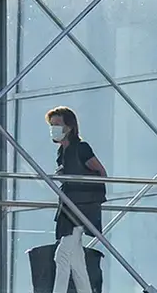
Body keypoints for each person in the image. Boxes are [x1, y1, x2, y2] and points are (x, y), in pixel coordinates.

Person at [49, 106, 107, 293]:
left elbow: (101, 172)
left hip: (81, 208)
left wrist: (85, 190)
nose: (54, 128)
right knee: (76, 260)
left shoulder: (81, 148)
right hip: (69, 208)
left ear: (69, 127)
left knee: (62, 255)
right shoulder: (62, 153)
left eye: (57, 124)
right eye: (52, 125)